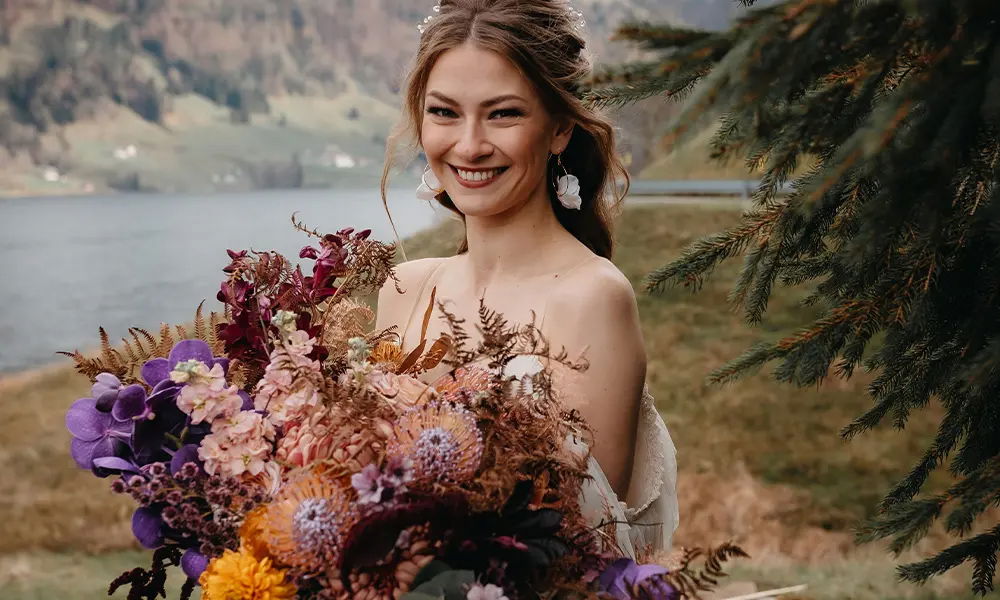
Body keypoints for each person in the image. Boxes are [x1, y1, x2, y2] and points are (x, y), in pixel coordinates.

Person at [374, 0, 678, 558]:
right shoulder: (403, 288)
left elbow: (582, 548)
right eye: (444, 112)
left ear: (559, 128)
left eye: (503, 114)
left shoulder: (593, 297)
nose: (470, 145)